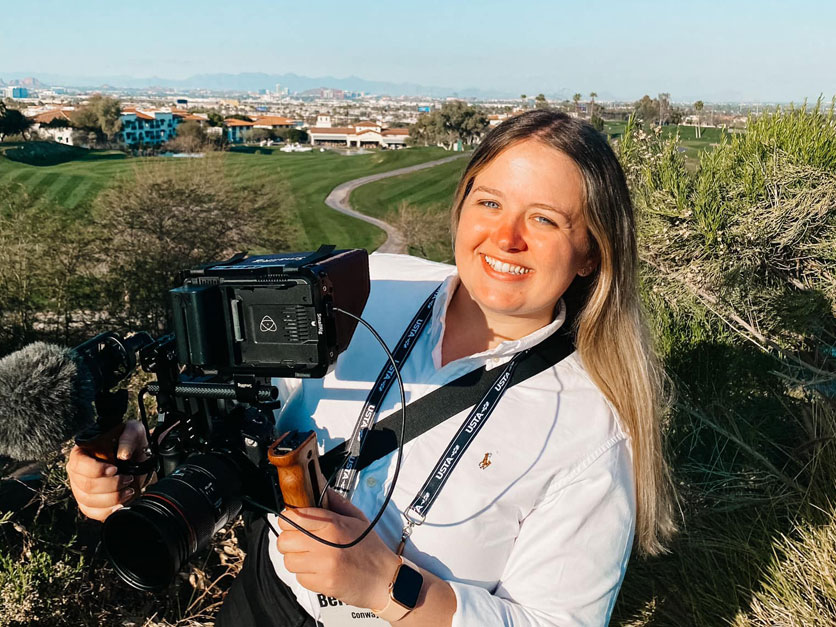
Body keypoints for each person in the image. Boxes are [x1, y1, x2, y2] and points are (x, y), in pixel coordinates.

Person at [67, 110, 675, 626]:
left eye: (545, 219)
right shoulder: (364, 289)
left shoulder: (593, 429)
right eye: (489, 202)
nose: (506, 236)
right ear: (461, 205)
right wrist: (148, 452)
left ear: (592, 252)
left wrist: (389, 586)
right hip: (267, 594)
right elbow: (254, 401)